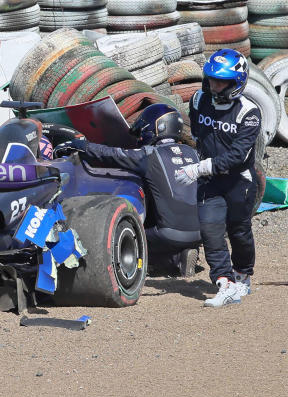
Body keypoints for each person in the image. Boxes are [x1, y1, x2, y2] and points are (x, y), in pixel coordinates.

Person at [58, 104, 201, 276]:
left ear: (156, 128)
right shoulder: (194, 154)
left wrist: (82, 146)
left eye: (143, 131)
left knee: (122, 237)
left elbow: (113, 154)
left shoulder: (149, 155)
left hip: (168, 234)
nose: (140, 137)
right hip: (201, 233)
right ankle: (183, 253)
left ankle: (172, 261)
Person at [174, 48, 260, 307]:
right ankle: (225, 282)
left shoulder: (250, 113)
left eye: (221, 81)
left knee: (239, 231)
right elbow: (198, 133)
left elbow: (237, 156)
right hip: (210, 182)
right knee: (210, 231)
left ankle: (243, 274)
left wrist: (199, 168)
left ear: (236, 83)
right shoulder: (199, 100)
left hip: (239, 182)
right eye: (211, 79)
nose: (214, 85)